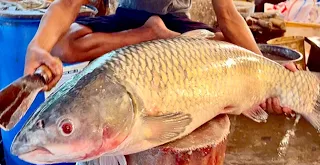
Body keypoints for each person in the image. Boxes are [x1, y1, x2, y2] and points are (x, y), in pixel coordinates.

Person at [24, 0, 296, 114]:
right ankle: (149, 33)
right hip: (131, 20)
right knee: (62, 44)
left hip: (177, 23)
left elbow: (227, 16)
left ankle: (156, 33)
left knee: (228, 49)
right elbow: (68, 4)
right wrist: (38, 46)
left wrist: (266, 68)